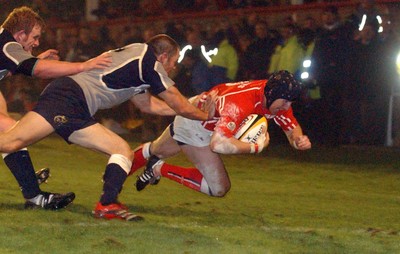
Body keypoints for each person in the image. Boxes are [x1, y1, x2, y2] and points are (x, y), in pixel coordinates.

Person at [0, 34, 215, 221]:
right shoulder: (148, 62)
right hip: (68, 99)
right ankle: (106, 204)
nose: (174, 67)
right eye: (174, 61)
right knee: (11, 142)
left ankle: (107, 204)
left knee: (120, 150)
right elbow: (178, 104)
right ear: (164, 56)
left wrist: (191, 105)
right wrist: (206, 115)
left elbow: (150, 105)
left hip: (73, 102)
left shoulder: (138, 62)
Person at [132, 70, 311, 198]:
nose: (287, 107)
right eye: (286, 102)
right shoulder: (241, 104)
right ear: (272, 94)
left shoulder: (273, 97)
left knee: (155, 149)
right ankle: (156, 169)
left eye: (290, 102)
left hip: (202, 114)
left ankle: (115, 181)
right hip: (198, 126)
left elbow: (291, 128)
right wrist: (255, 147)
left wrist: (298, 140)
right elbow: (218, 144)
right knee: (218, 188)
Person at [0, 6, 112, 210]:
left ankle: (31, 188)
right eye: (34, 36)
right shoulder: (8, 44)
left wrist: (35, 60)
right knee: (11, 133)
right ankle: (30, 185)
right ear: (20, 34)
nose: (37, 42)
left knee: (10, 131)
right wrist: (83, 66)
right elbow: (39, 71)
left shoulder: (5, 42)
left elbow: (8, 69)